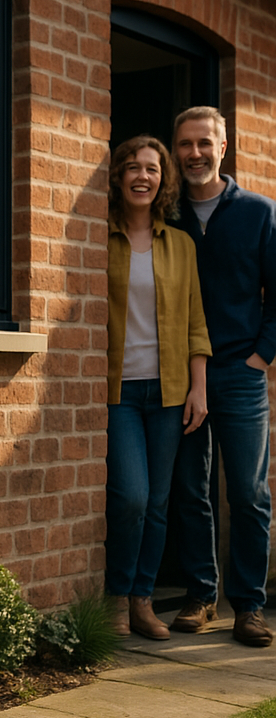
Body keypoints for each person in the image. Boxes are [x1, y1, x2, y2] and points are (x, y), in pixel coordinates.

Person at [168, 107, 276, 648]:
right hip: (184, 373)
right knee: (192, 488)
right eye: (185, 144)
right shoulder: (167, 215)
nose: (194, 153)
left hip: (240, 372)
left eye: (204, 143)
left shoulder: (259, 213)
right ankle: (201, 595)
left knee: (250, 492)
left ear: (224, 145)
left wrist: (262, 356)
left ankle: (250, 607)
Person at [106, 135, 211, 640]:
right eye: (132, 167)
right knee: (131, 497)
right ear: (118, 177)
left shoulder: (182, 245)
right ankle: (117, 597)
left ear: (162, 179)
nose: (141, 176)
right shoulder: (100, 239)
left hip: (169, 394)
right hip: (121, 392)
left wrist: (199, 389)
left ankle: (142, 602)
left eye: (151, 168)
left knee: (159, 502)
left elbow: (195, 321)